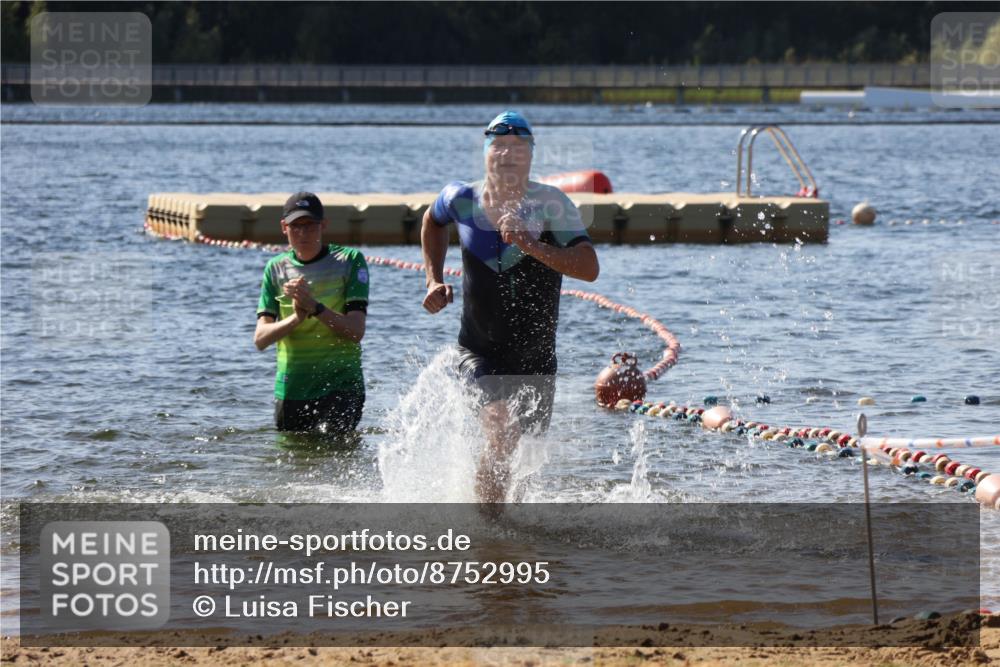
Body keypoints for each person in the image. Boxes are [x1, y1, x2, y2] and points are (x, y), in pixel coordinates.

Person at [421, 111, 600, 503]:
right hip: (478, 351)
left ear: (531, 158)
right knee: (502, 432)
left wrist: (531, 245)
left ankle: (502, 544)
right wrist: (433, 278)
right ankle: (487, 537)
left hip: (536, 358)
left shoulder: (552, 206)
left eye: (518, 148)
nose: (507, 155)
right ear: (485, 154)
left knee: (520, 467)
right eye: (498, 147)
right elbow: (432, 221)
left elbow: (589, 268)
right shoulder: (460, 199)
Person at [254, 192, 369, 434]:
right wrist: (297, 317)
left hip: (342, 385)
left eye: (310, 226)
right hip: (292, 388)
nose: (303, 233)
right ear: (284, 227)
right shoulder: (275, 269)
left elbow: (356, 331)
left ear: (323, 225)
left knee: (337, 462)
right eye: (296, 226)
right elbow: (261, 339)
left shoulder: (349, 261)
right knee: (292, 466)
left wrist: (315, 307)